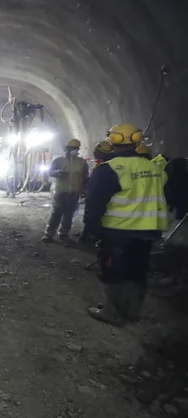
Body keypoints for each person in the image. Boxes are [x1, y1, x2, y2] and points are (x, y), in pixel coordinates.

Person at [80, 123, 169, 326]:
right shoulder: (153, 168)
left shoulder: (108, 169)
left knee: (113, 270)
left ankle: (112, 313)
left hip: (118, 230)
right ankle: (132, 312)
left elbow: (94, 204)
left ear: (112, 141)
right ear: (137, 141)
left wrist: (89, 232)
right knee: (137, 270)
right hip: (148, 231)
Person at [42, 139, 89, 242]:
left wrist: (84, 190)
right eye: (72, 148)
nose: (74, 150)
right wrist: (58, 172)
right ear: (67, 149)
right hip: (60, 191)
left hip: (74, 192)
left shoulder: (82, 162)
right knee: (56, 213)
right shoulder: (58, 160)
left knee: (69, 214)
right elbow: (50, 172)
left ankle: (64, 233)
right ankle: (49, 233)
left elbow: (85, 177)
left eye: (76, 148)